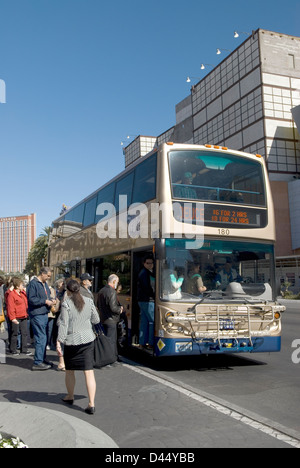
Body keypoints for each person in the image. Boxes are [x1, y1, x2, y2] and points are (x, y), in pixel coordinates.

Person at [57, 280, 100, 414]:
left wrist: (60, 341)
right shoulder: (89, 301)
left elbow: (64, 324)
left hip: (72, 341)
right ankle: (91, 403)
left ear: (68, 291)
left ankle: (70, 396)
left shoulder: (66, 304)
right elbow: (96, 319)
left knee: (70, 371)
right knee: (89, 372)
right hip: (88, 339)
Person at [27, 267, 56, 371]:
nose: (48, 278)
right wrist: (45, 301)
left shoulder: (44, 284)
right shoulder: (33, 284)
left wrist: (52, 300)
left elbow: (46, 296)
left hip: (44, 313)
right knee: (41, 337)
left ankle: (42, 359)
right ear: (42, 274)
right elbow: (31, 299)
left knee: (44, 337)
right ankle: (38, 362)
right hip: (37, 314)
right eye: (48, 276)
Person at [97, 275, 123, 361]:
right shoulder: (112, 292)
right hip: (111, 319)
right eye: (117, 282)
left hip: (103, 318)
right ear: (114, 281)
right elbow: (113, 308)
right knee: (112, 341)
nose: (117, 284)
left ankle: (106, 357)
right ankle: (111, 359)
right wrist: (120, 309)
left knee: (107, 340)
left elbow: (98, 305)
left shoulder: (101, 290)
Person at [6, 278, 31, 356]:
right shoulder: (11, 295)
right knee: (15, 333)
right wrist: (13, 318)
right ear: (17, 286)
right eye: (21, 285)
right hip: (16, 317)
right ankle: (12, 349)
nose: (23, 286)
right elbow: (11, 307)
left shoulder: (23, 293)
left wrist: (25, 291)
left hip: (24, 315)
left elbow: (27, 301)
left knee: (24, 333)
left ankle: (24, 349)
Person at [137, 255, 155, 348]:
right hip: (148, 300)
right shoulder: (145, 274)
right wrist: (154, 295)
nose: (150, 265)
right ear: (144, 263)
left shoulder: (146, 272)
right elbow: (147, 287)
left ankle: (142, 342)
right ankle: (151, 343)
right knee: (152, 321)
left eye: (151, 263)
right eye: (148, 263)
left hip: (143, 300)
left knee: (144, 321)